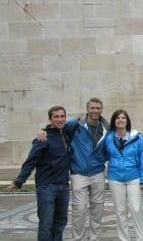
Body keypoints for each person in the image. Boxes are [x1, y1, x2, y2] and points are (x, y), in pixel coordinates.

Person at [37, 98, 108, 241]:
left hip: (98, 173)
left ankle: (94, 238)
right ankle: (78, 238)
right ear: (87, 109)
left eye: (98, 108)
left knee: (97, 210)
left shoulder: (107, 127)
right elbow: (57, 127)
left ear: (101, 110)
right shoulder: (75, 124)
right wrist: (43, 131)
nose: (95, 111)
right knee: (79, 210)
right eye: (92, 108)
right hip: (79, 174)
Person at [7, 106, 70, 241]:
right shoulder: (43, 138)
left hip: (63, 186)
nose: (60, 119)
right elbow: (31, 161)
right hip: (47, 187)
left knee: (60, 223)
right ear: (50, 119)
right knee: (46, 224)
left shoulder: (66, 134)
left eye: (62, 116)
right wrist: (20, 181)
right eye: (56, 117)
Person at [103, 109, 143, 241]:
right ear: (114, 122)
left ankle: (141, 238)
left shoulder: (138, 139)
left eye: (123, 118)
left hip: (133, 177)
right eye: (117, 118)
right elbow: (105, 155)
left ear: (127, 121)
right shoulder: (109, 138)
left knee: (136, 208)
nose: (120, 120)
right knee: (120, 211)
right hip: (115, 178)